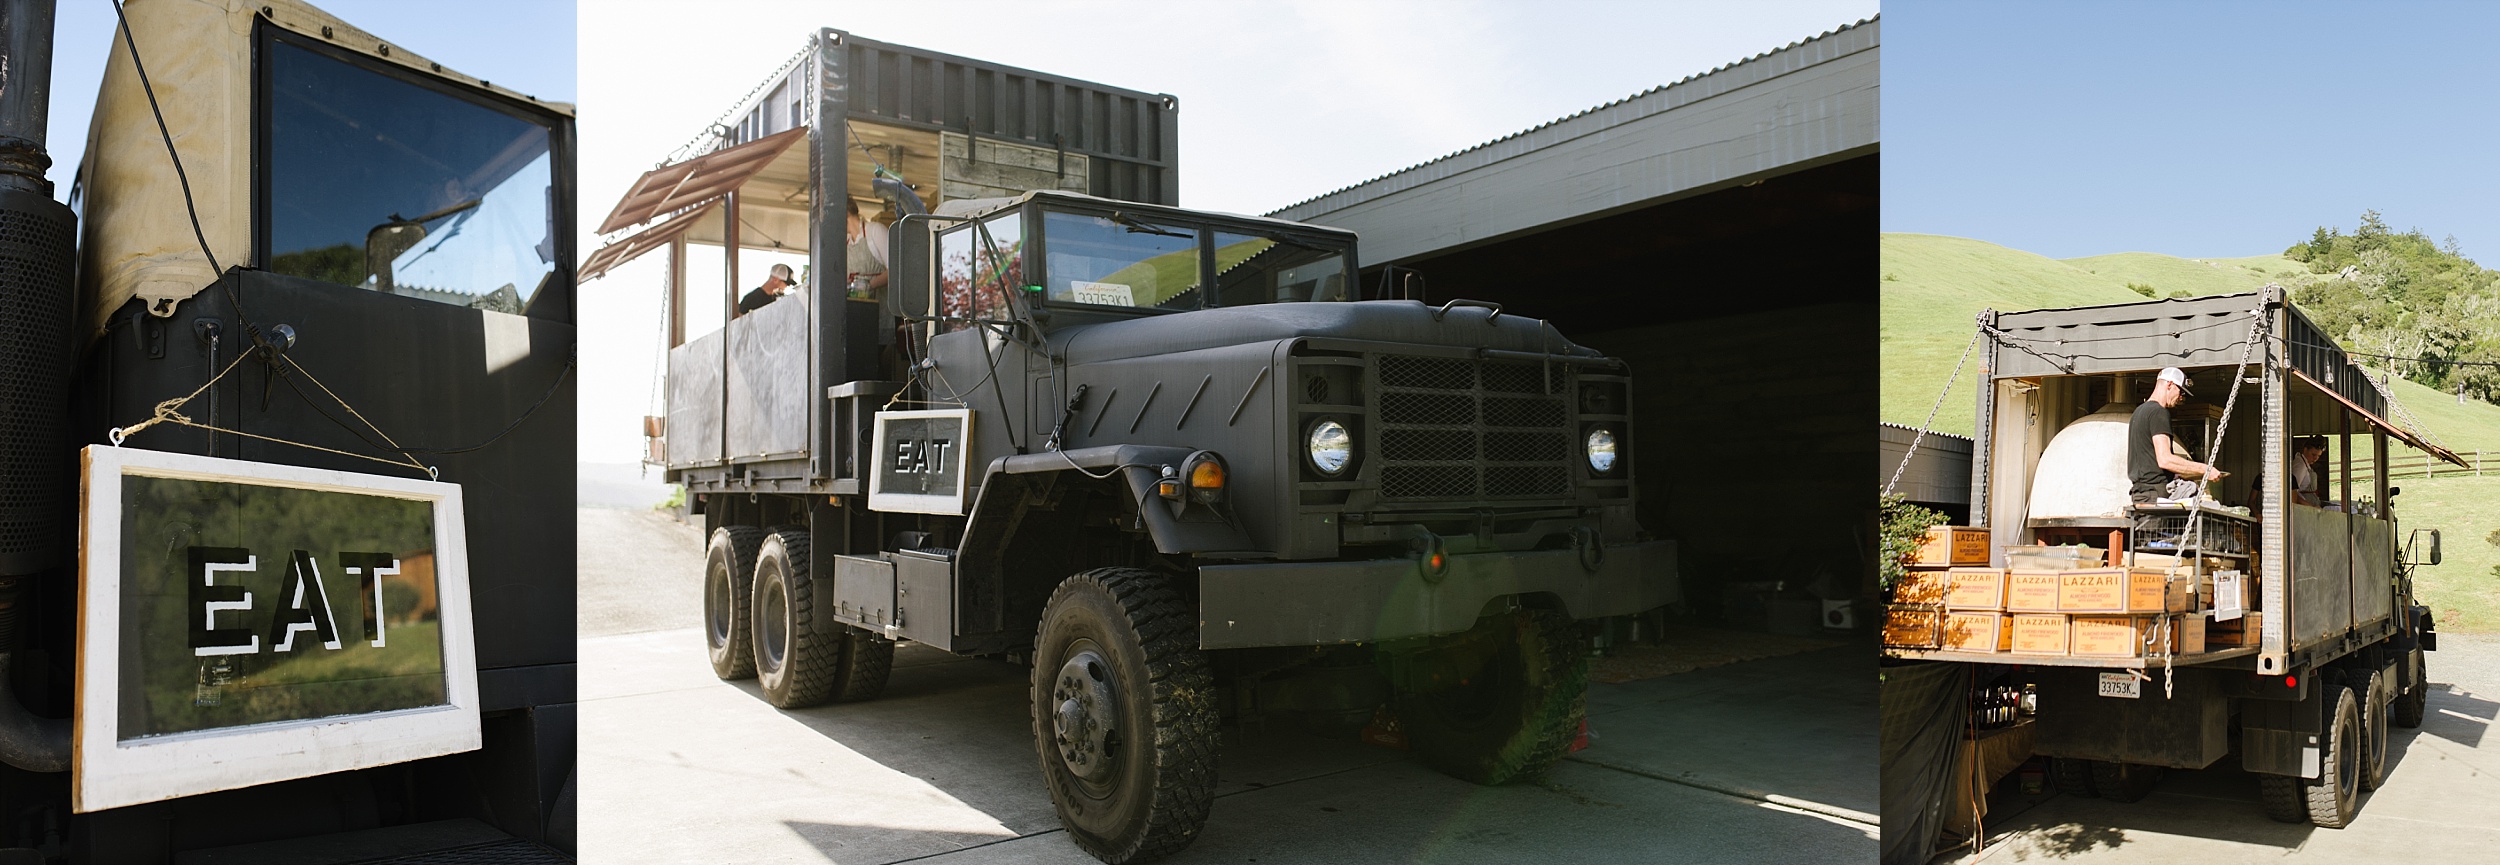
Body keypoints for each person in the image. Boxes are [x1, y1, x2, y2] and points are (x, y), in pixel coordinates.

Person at [2128, 367, 2224, 504]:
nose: (2180, 398)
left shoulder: (2138, 412)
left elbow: (2150, 461)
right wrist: (2205, 469)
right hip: (2156, 496)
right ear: (2170, 384)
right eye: (2180, 392)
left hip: (2140, 495)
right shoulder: (2158, 412)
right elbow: (2165, 460)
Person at [846, 199, 889, 299]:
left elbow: (896, 270)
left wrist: (868, 286)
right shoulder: (847, 242)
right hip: (856, 305)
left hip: (879, 305)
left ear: (846, 213)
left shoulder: (875, 231)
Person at [2290, 436, 2328, 507]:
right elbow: (2293, 492)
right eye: (2313, 454)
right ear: (2305, 450)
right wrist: (2311, 506)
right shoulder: (2300, 466)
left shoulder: (2305, 464)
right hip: (2305, 507)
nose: (2315, 458)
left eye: (2318, 456)